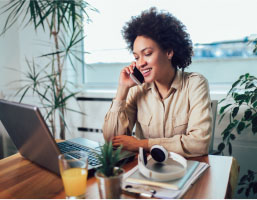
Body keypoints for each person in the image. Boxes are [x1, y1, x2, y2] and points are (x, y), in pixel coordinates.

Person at [103, 7, 212, 157]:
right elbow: (112, 142)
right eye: (136, 57)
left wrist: (142, 144)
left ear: (169, 52)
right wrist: (122, 89)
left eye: (147, 54)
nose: (140, 63)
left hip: (185, 170)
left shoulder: (195, 84)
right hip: (147, 170)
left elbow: (199, 144)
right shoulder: (137, 89)